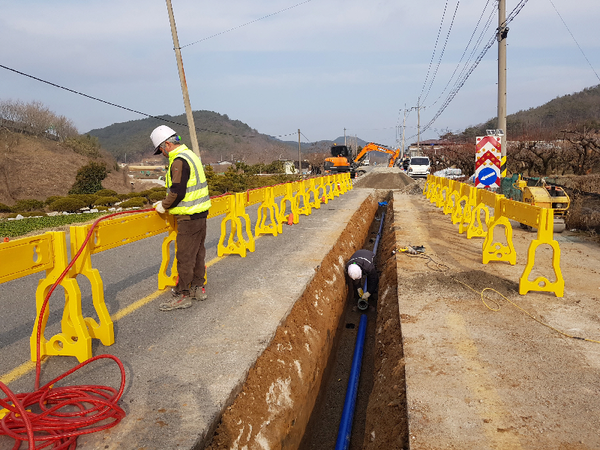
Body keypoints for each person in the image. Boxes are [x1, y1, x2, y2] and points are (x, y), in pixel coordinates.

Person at [150, 125, 211, 311]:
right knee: (198, 253)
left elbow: (177, 192)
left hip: (188, 216)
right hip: (201, 214)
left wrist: (163, 206)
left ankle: (183, 294)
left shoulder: (179, 161)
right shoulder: (191, 156)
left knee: (185, 256)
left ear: (167, 144)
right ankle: (197, 288)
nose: (163, 154)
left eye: (161, 150)